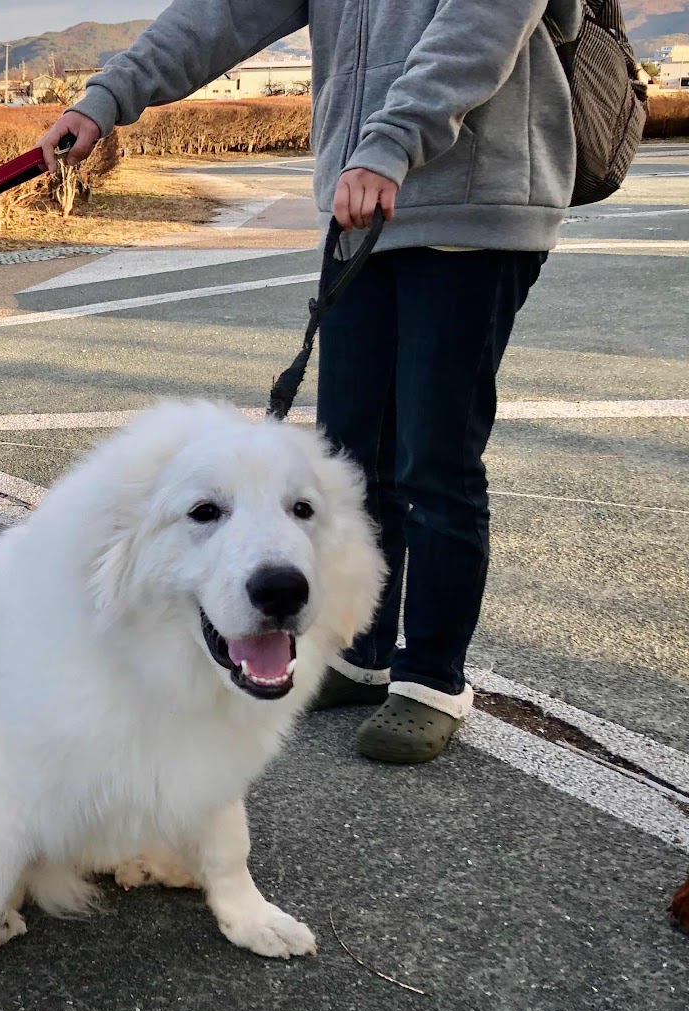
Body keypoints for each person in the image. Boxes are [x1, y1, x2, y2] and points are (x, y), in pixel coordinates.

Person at [39, 1, 583, 764]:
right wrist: (107, 98)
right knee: (350, 459)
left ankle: (432, 679)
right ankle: (363, 654)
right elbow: (226, 12)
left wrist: (391, 140)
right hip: (362, 209)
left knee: (435, 460)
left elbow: (482, 23)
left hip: (470, 205)